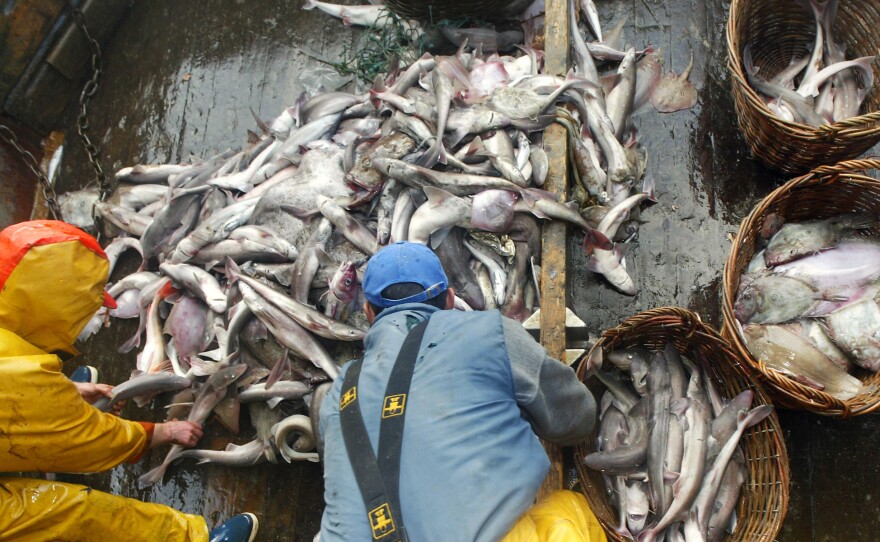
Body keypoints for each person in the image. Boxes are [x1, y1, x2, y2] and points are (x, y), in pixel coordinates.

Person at [317, 241, 607, 542]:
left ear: (368, 312)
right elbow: (576, 418)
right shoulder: (491, 333)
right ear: (450, 300)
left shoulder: (338, 391)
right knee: (569, 510)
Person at [0, 220, 257, 542]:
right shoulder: (19, 380)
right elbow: (89, 443)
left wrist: (62, 393)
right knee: (63, 512)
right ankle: (189, 539)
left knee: (40, 413)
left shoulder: (13, 365)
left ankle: (50, 412)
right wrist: (158, 432)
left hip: (24, 393)